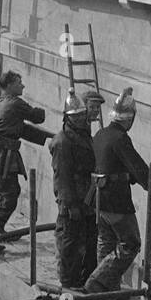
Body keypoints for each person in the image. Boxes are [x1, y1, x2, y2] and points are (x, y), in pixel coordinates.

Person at [83, 87, 151, 294]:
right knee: (131, 243)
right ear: (129, 119)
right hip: (115, 200)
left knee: (106, 241)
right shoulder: (120, 138)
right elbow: (139, 169)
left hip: (98, 198)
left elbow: (113, 165)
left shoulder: (101, 133)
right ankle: (97, 283)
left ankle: (107, 287)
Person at [0, 71, 46, 254]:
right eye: (19, 83)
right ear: (11, 85)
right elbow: (38, 117)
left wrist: (48, 138)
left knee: (10, 194)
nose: (23, 86)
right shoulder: (15, 103)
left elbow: (18, 128)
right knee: (9, 196)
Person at [51, 87, 103, 289]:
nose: (81, 119)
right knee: (70, 243)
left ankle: (84, 281)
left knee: (90, 241)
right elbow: (62, 178)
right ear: (68, 117)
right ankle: (68, 283)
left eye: (83, 115)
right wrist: (70, 205)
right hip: (73, 202)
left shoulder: (83, 135)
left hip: (87, 199)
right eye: (77, 116)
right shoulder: (63, 142)